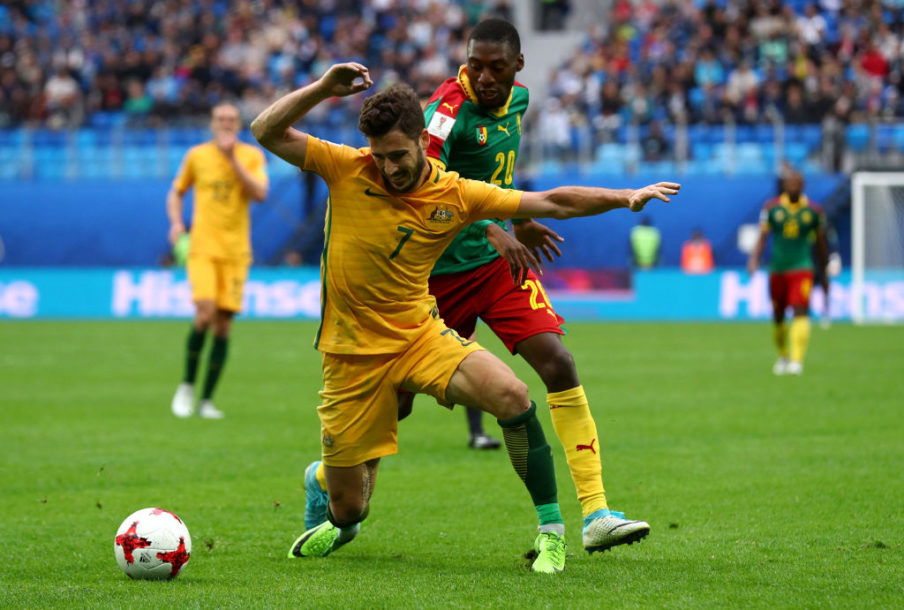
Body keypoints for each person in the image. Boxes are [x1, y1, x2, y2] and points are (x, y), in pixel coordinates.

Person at [250, 62, 679, 572]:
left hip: (420, 337)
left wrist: (625, 197)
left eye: (398, 156)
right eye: (380, 157)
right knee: (350, 510)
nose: (388, 168)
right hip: (349, 356)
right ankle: (323, 486)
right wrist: (323, 88)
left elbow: (551, 201)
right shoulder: (345, 167)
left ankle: (552, 533)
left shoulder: (455, 193)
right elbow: (265, 130)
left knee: (513, 395)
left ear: (421, 141)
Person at [167, 102, 269, 418]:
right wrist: (176, 223)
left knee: (223, 326)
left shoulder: (251, 156)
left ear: (238, 124)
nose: (226, 123)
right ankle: (187, 385)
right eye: (220, 119)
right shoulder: (196, 156)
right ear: (212, 124)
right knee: (205, 313)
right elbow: (176, 192)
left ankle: (206, 401)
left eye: (231, 119)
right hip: (203, 247)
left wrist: (231, 158)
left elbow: (259, 194)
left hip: (236, 251)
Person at [747, 170, 827, 376]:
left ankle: (797, 360)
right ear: (784, 185)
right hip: (778, 268)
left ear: (803, 185)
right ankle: (783, 355)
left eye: (797, 182)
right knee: (778, 316)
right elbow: (763, 236)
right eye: (790, 182)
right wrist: (754, 259)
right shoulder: (771, 208)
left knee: (800, 310)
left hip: (802, 267)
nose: (793, 185)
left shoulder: (814, 211)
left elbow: (821, 243)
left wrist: (823, 267)